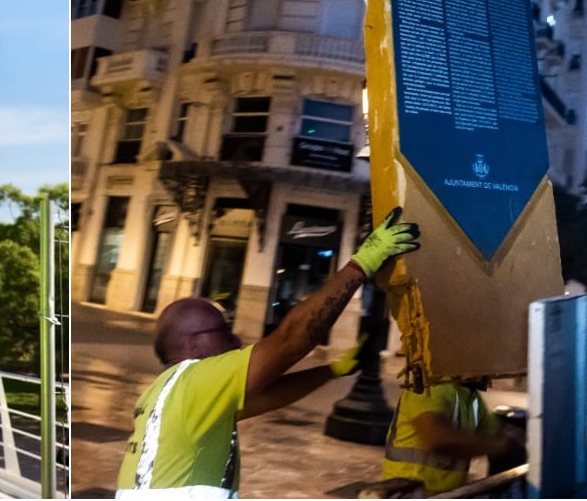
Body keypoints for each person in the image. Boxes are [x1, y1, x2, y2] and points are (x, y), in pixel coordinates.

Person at [115, 207, 423, 497]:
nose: (235, 340)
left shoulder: (168, 393)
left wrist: (334, 369)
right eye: (223, 331)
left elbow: (267, 395)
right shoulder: (194, 380)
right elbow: (291, 340)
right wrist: (361, 265)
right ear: (191, 343)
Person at [381, 380, 522, 496]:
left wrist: (511, 442)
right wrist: (497, 445)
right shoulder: (429, 385)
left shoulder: (471, 397)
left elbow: (499, 435)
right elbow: (437, 440)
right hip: (409, 493)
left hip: (447, 494)